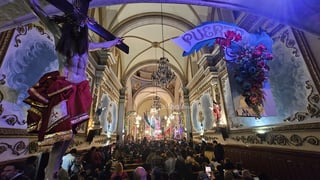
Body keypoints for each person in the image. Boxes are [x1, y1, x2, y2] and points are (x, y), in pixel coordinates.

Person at [25, 0, 122, 179]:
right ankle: (50, 170)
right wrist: (33, 4)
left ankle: (53, 168)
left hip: (79, 90)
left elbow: (104, 45)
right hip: (63, 88)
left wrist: (115, 41)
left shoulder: (86, 47)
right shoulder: (61, 38)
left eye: (81, 27)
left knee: (69, 136)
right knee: (62, 133)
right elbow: (45, 19)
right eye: (76, 26)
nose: (78, 29)